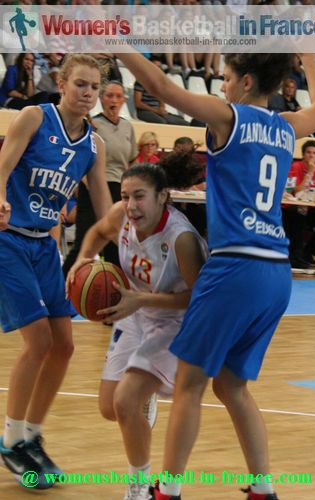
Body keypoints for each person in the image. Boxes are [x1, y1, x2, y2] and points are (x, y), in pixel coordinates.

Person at [116, 52, 315, 500]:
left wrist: (123, 50)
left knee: (190, 385)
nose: (223, 87)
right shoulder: (285, 126)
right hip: (277, 274)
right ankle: (263, 486)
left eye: (227, 78)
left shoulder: (229, 117)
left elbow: (164, 88)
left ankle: (167, 490)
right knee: (231, 384)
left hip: (235, 266)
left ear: (245, 81)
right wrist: (310, 60)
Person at [66, 154, 207, 500]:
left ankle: (140, 488)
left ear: (162, 197)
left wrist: (142, 301)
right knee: (108, 407)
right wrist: (85, 259)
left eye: (139, 196)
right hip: (134, 309)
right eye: (126, 195)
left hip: (171, 322)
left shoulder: (181, 238)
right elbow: (98, 232)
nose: (130, 204)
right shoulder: (121, 216)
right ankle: (146, 399)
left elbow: (197, 299)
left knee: (125, 401)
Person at [0, 54, 112, 488]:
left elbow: (101, 202)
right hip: (9, 238)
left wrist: (121, 242)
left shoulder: (94, 144)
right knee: (40, 341)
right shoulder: (33, 116)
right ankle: (10, 440)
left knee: (64, 345)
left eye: (93, 88)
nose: (87, 93)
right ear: (62, 83)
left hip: (46, 246)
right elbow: (4, 162)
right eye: (80, 84)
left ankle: (31, 435)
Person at [62, 80, 137, 276]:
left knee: (117, 244)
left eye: (118, 96)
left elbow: (130, 161)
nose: (114, 100)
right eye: (110, 95)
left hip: (121, 190)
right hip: (94, 187)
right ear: (102, 99)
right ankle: (61, 286)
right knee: (85, 242)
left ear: (123, 100)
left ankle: (116, 292)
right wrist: (88, 187)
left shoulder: (128, 127)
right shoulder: (92, 125)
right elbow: (82, 159)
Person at [283, 140, 315, 268]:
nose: (311, 155)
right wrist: (310, 173)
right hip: (293, 207)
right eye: (308, 152)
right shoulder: (296, 167)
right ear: (303, 154)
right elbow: (294, 190)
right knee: (299, 216)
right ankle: (296, 255)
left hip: (313, 207)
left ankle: (308, 253)